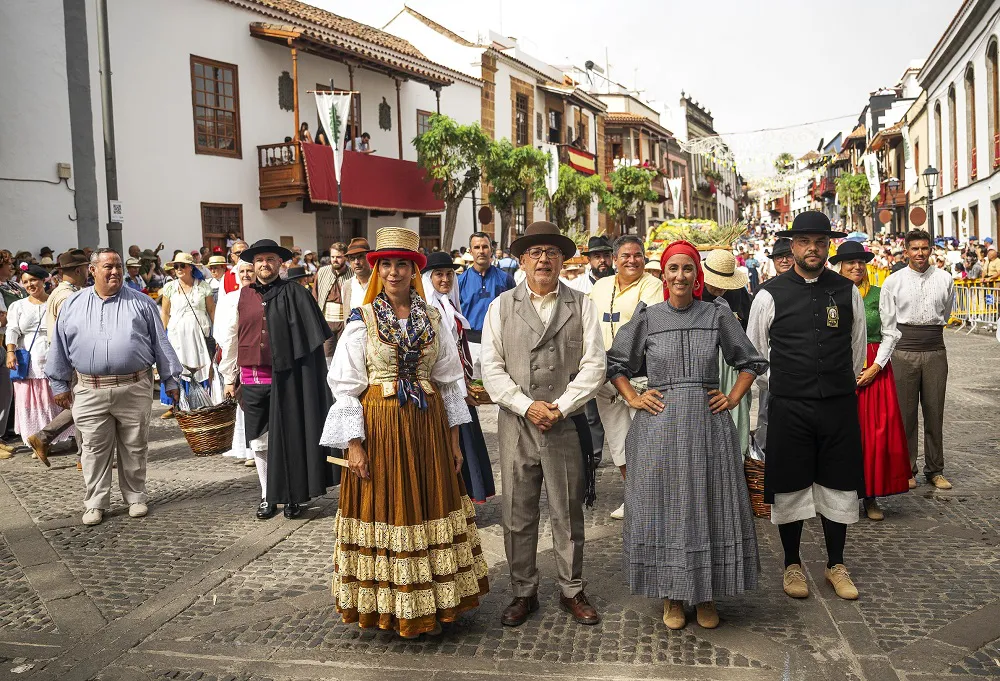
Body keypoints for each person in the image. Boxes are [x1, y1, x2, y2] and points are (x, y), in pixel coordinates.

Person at [321, 227, 489, 638]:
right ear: (377, 269)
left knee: (429, 505)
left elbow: (449, 382)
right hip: (380, 424)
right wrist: (354, 445)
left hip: (427, 425)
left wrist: (454, 442)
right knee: (388, 506)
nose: (394, 272)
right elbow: (345, 386)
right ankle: (391, 609)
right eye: (386, 264)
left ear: (415, 271)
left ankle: (432, 604)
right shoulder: (362, 318)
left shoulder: (433, 317)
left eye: (402, 264)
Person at [608, 240, 766, 630]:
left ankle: (707, 594)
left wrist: (731, 398)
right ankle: (672, 595)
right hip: (658, 429)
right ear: (663, 274)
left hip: (707, 427)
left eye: (688, 268)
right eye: (673, 268)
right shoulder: (648, 317)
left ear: (698, 275)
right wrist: (634, 398)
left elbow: (750, 361)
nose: (680, 275)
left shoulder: (717, 315)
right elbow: (616, 364)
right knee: (665, 508)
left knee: (708, 504)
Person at [481, 221, 606, 628]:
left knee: (567, 510)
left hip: (564, 423)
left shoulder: (582, 304)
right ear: (521, 260)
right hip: (517, 424)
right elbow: (491, 367)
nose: (543, 259)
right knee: (517, 511)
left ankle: (572, 588)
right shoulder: (501, 305)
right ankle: (523, 591)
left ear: (562, 260)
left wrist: (561, 405)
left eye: (551, 252)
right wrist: (525, 405)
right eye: (535, 252)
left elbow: (594, 365)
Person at [747, 211, 866, 602]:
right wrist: (788, 386)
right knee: (790, 486)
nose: (812, 248)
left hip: (837, 405)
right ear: (792, 246)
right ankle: (792, 564)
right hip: (789, 407)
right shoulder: (768, 294)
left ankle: (835, 563)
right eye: (804, 242)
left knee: (838, 482)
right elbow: (756, 355)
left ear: (827, 246)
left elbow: (855, 350)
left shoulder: (846, 291)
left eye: (819, 242)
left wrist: (833, 384)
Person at [46, 249, 181, 526]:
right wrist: (59, 383)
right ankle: (95, 502)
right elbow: (59, 347)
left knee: (134, 445)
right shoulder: (72, 304)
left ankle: (135, 497)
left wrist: (171, 379)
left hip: (134, 386)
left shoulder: (141, 302)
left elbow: (161, 343)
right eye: (108, 267)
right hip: (89, 389)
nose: (115, 272)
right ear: (92, 270)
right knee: (93, 448)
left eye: (118, 266)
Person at [219, 239, 337, 520]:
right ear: (252, 264)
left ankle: (294, 495)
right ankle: (267, 496)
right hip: (252, 379)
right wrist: (229, 377)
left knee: (289, 439)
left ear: (280, 263)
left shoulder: (296, 294)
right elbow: (232, 339)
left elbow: (311, 342)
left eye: (270, 259)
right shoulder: (241, 297)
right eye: (259, 260)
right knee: (259, 442)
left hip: (287, 381)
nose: (264, 264)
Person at [829, 241, 909, 521]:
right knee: (841, 434)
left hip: (875, 368)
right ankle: (840, 497)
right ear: (840, 266)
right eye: (850, 262)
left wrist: (875, 367)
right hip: (840, 368)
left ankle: (871, 496)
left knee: (873, 435)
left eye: (861, 262)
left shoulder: (879, 293)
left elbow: (891, 333)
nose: (856, 267)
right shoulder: (831, 295)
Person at [588, 235, 663, 520]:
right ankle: (633, 496)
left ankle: (653, 500)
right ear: (615, 259)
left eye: (638, 255)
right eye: (626, 256)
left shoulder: (652, 286)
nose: (632, 260)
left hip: (638, 374)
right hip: (604, 377)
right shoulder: (601, 286)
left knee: (644, 439)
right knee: (618, 439)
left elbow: (646, 324)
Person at [881, 229, 955, 490]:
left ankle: (935, 469)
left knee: (935, 412)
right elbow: (888, 321)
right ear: (906, 251)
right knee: (905, 415)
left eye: (924, 248)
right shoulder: (894, 281)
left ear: (931, 250)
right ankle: (907, 469)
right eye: (915, 249)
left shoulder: (946, 279)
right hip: (903, 351)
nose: (920, 253)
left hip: (935, 349)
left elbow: (945, 313)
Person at [421, 251, 495, 503]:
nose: (445, 279)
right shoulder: (428, 307)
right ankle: (447, 499)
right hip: (441, 385)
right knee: (447, 443)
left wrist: (466, 380)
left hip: (458, 383)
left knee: (464, 441)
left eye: (449, 274)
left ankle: (462, 498)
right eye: (439, 274)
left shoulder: (449, 304)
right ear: (428, 278)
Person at [25, 250, 90, 466]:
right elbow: (72, 331)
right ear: (79, 270)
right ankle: (81, 455)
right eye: (87, 268)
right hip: (73, 356)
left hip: (69, 355)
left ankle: (46, 439)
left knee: (80, 404)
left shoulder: (64, 291)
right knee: (83, 404)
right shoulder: (67, 296)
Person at [5, 264, 74, 459]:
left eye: (33, 280)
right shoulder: (17, 306)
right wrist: (10, 352)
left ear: (43, 280)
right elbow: (12, 330)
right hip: (29, 360)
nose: (30, 284)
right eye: (25, 282)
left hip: (53, 355)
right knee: (32, 401)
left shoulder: (52, 303)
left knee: (54, 398)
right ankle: (37, 440)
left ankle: (54, 438)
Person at [701, 249, 753, 457]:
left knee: (735, 419)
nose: (721, 288)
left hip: (733, 365)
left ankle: (736, 464)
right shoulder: (694, 294)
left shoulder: (738, 293)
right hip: (704, 363)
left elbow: (748, 325)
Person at [215, 261, 260, 471]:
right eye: (241, 271)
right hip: (237, 356)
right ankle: (244, 449)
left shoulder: (262, 294)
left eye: (249, 270)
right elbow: (224, 330)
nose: (245, 274)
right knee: (242, 406)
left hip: (257, 359)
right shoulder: (229, 299)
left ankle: (256, 451)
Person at [159, 253, 215, 419]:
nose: (178, 269)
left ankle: (201, 400)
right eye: (176, 267)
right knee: (177, 365)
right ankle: (175, 404)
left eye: (182, 266)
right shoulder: (170, 287)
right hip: (176, 333)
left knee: (200, 364)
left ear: (191, 267)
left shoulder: (203, 286)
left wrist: (216, 331)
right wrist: (162, 335)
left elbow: (211, 310)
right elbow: (166, 312)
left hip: (198, 333)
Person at [458, 232, 515, 377]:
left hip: (497, 344)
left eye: (485, 246)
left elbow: (515, 312)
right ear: (470, 251)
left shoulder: (505, 279)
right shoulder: (460, 282)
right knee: (473, 390)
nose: (481, 251)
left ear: (491, 249)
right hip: (469, 344)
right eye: (476, 247)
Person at [0, 251, 28, 447]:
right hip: (4, 338)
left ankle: (9, 428)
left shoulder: (14, 286)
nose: (12, 266)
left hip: (18, 339)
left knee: (11, 388)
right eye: (8, 263)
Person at [342, 238, 373, 314]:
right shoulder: (347, 286)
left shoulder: (380, 281)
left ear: (368, 257)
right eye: (352, 258)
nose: (356, 262)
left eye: (360, 257)